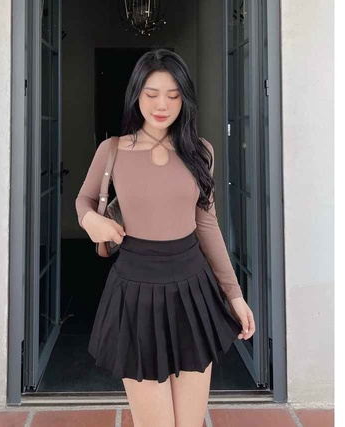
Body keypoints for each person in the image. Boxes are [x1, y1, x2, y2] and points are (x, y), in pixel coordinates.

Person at [75, 48, 255, 427]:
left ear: (184, 99)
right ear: (136, 94)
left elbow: (207, 224)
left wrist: (234, 295)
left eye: (173, 95)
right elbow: (84, 200)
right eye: (152, 93)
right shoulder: (113, 150)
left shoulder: (200, 151)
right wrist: (91, 221)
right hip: (135, 292)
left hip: (193, 290)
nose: (162, 105)